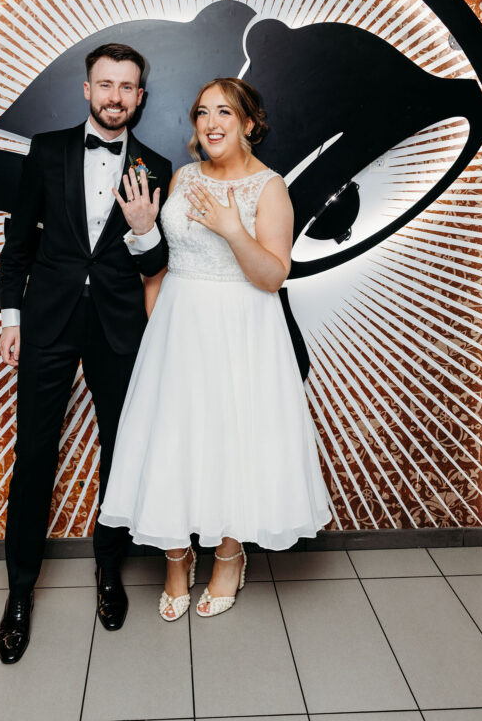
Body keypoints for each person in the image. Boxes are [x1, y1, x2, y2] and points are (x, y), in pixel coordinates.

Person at [99, 77, 331, 621]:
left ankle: (229, 556)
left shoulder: (270, 188)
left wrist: (233, 228)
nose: (211, 123)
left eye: (225, 112)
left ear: (249, 123)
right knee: (174, 442)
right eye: (202, 112)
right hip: (178, 329)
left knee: (234, 440)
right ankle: (176, 562)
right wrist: (140, 233)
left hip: (242, 329)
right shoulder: (183, 177)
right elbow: (164, 262)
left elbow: (272, 276)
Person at [0, 42, 171, 662]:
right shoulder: (46, 151)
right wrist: (11, 316)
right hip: (47, 323)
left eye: (127, 87)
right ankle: (19, 594)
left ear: (140, 97)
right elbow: (17, 242)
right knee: (36, 451)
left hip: (119, 329)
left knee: (119, 454)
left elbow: (157, 266)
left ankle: (108, 571)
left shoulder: (157, 166)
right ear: (87, 89)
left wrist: (147, 228)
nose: (115, 97)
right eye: (105, 84)